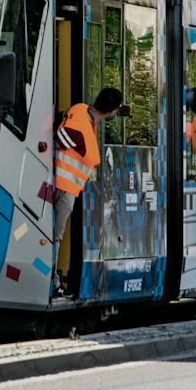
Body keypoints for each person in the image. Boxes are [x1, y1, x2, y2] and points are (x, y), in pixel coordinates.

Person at [52, 87, 125, 278]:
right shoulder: (84, 132)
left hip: (58, 182)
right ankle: (52, 280)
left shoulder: (80, 109)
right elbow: (61, 138)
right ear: (112, 112)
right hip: (64, 188)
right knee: (55, 236)